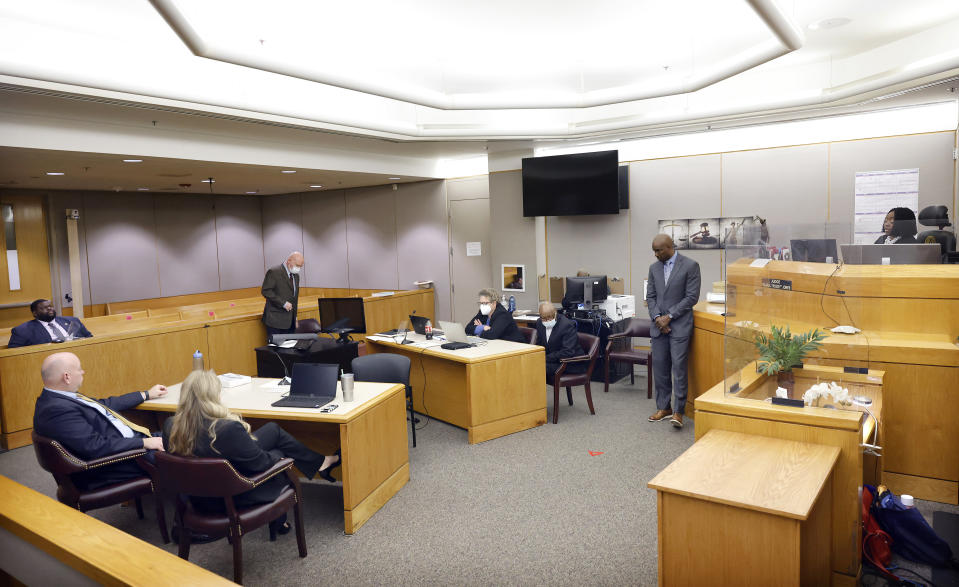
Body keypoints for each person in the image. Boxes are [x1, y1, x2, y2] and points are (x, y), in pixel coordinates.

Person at [162, 370, 340, 534]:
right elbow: (261, 464)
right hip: (234, 495)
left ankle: (321, 462)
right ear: (212, 396)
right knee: (278, 453)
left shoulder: (171, 426)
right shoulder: (227, 429)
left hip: (198, 498)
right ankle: (317, 466)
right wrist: (280, 457)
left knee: (273, 430)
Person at [33, 352, 167, 489]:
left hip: (128, 446)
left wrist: (146, 394)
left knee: (175, 428)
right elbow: (94, 446)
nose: (83, 372)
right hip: (119, 461)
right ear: (67, 377)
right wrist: (143, 443)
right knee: (183, 449)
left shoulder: (60, 397)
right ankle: (187, 504)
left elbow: (104, 404)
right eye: (79, 369)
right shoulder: (57, 410)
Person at [646, 234, 701, 429]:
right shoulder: (654, 268)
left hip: (679, 325)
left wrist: (669, 316)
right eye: (654, 250)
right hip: (658, 327)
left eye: (659, 250)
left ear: (670, 247)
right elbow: (650, 297)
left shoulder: (690, 265)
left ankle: (678, 411)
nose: (656, 254)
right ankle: (664, 407)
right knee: (660, 369)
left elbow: (692, 297)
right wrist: (657, 318)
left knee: (678, 369)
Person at [8, 299, 92, 348]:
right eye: (44, 308)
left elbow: (89, 338)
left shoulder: (72, 321)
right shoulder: (23, 330)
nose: (49, 309)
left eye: (50, 306)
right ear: (35, 313)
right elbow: (13, 353)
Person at [534, 301, 583, 381]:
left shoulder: (567, 325)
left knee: (537, 368)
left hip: (568, 362)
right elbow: (539, 344)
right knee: (529, 364)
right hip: (552, 360)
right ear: (540, 316)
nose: (547, 321)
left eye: (550, 318)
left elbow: (568, 352)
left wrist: (545, 358)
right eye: (544, 318)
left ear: (555, 313)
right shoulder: (539, 323)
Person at [261, 251, 304, 342]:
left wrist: (294, 317)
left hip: (290, 321)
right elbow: (266, 291)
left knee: (291, 351)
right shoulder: (274, 272)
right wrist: (283, 303)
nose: (298, 268)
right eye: (297, 265)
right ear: (289, 261)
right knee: (277, 352)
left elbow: (294, 298)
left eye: (300, 266)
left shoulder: (296, 276)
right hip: (275, 320)